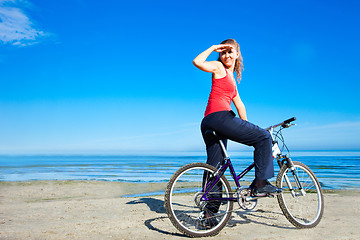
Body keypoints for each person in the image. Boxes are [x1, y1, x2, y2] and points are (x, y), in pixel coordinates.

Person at [193, 39, 282, 202]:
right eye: (223, 52)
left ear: (237, 54)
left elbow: (239, 104)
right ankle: (261, 183)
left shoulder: (231, 79)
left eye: (230, 51)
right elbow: (197, 62)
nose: (226, 55)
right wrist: (213, 47)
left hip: (208, 122)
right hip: (220, 118)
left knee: (215, 167)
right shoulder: (219, 68)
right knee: (264, 137)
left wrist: (247, 125)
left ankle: (210, 215)